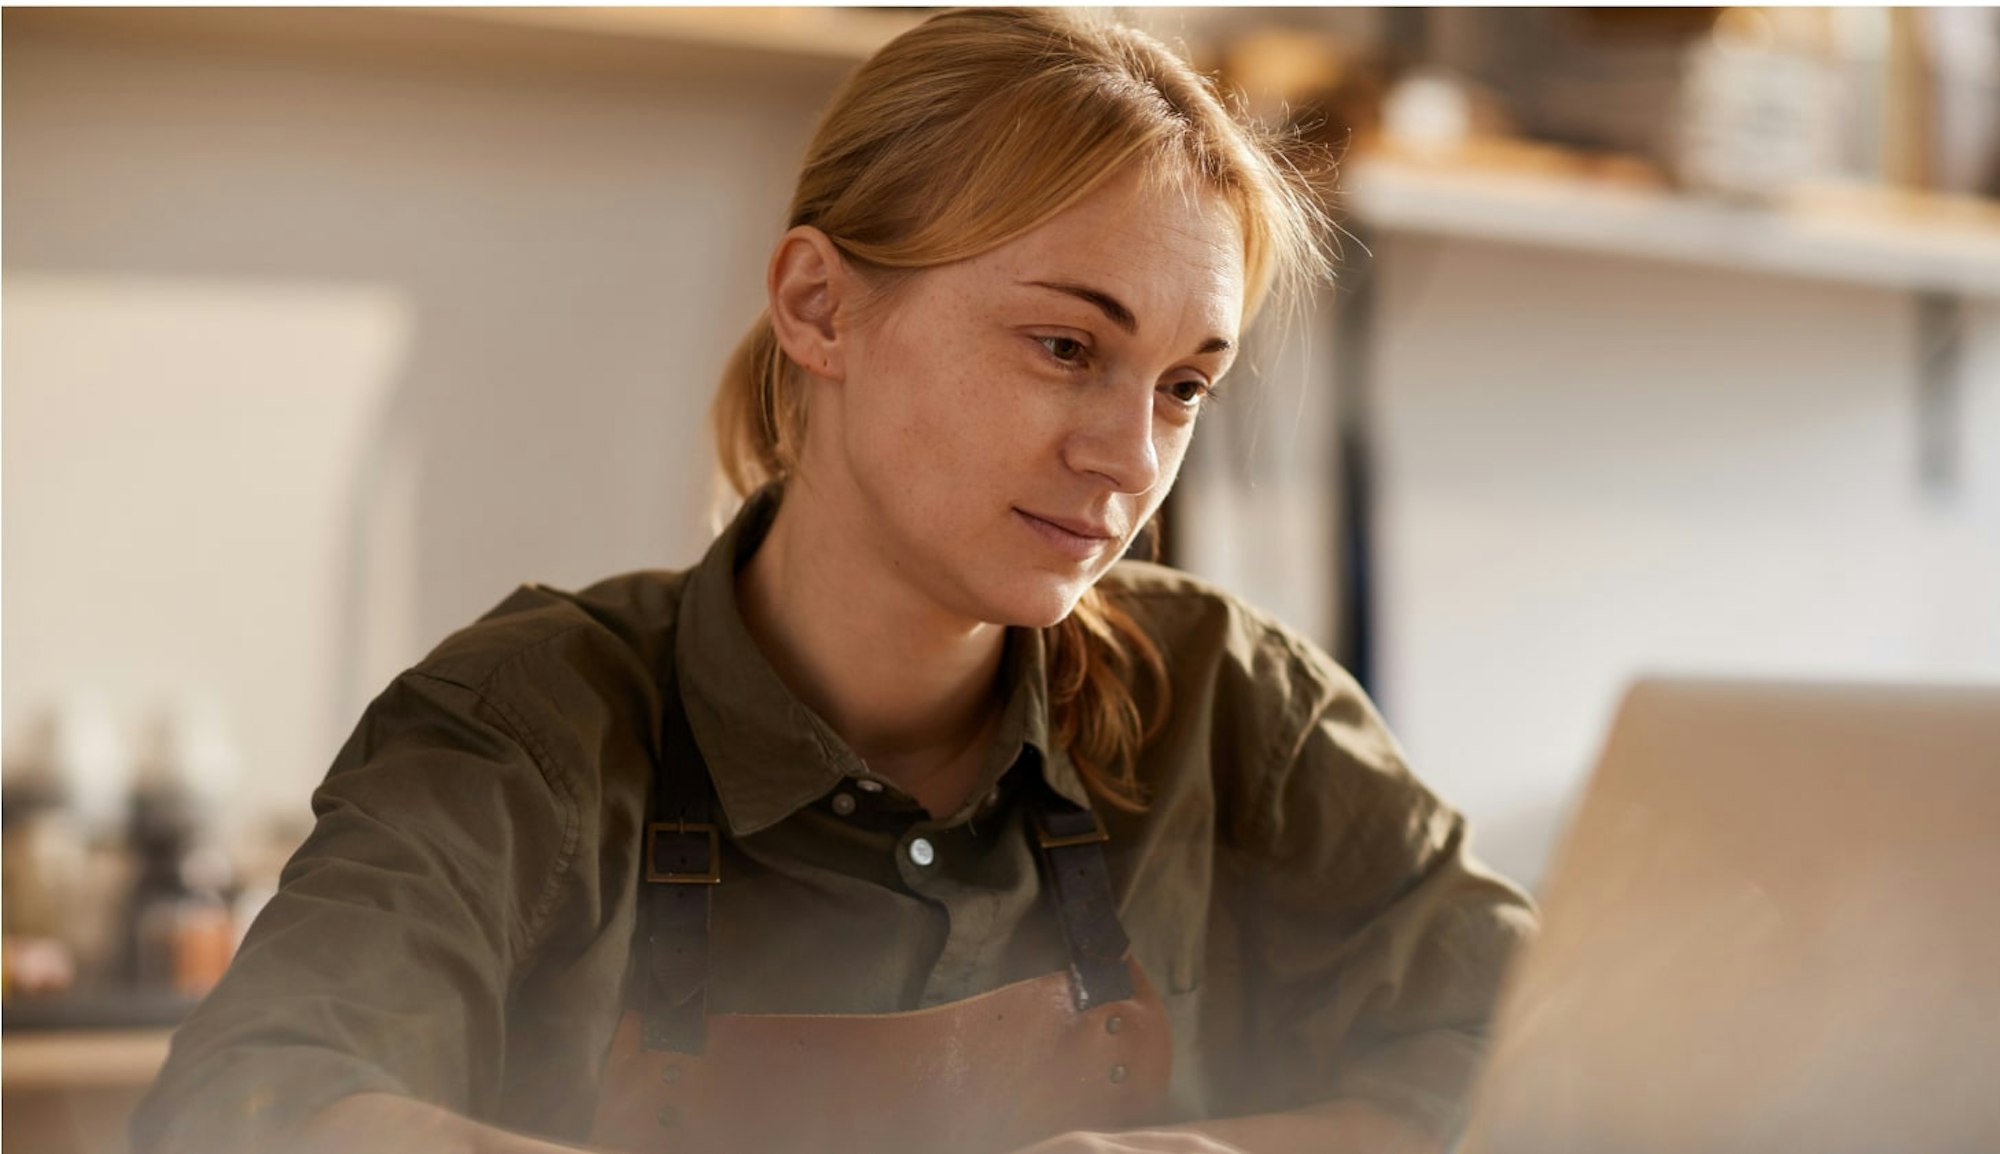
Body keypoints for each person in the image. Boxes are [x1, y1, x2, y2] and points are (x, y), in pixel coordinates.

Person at [133, 9, 1535, 1154]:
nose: (1128, 456)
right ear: (819, 305)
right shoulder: (527, 724)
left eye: (1182, 386)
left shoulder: (1231, 707)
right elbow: (244, 1098)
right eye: (1064, 347)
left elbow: (1567, 1051)